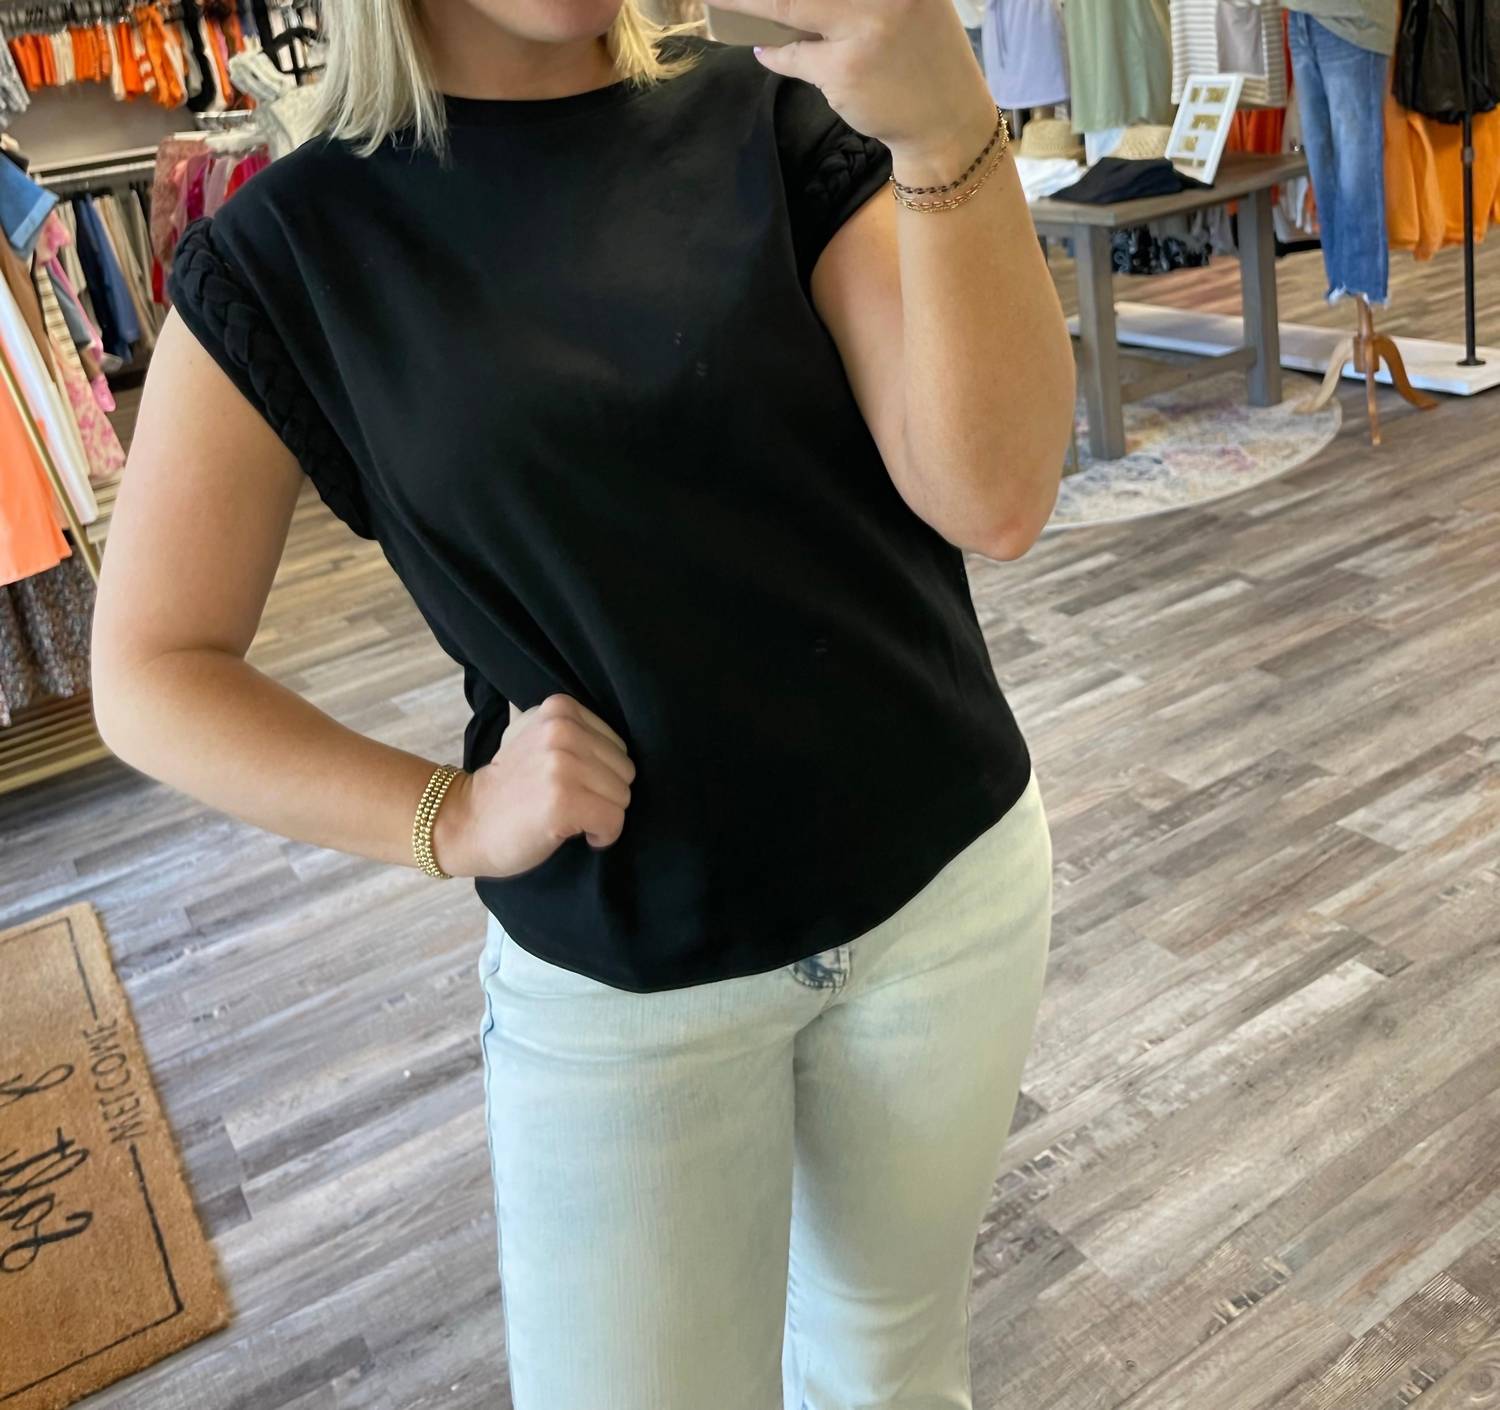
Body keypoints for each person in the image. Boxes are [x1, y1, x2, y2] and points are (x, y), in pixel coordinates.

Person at [90, 0, 1076, 1405]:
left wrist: (945, 128)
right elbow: (150, 668)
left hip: (945, 894)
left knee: (894, 1366)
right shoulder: (295, 246)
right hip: (626, 982)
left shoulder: (775, 108)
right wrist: (447, 816)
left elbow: (997, 494)